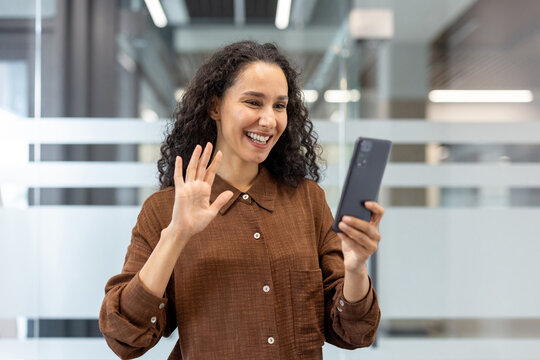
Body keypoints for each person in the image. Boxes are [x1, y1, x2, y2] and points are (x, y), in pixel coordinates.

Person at [99, 40, 383, 360]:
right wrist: (176, 235)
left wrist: (357, 268)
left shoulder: (307, 201)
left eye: (279, 105)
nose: (269, 120)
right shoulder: (165, 209)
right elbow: (124, 337)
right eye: (253, 102)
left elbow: (353, 331)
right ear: (215, 107)